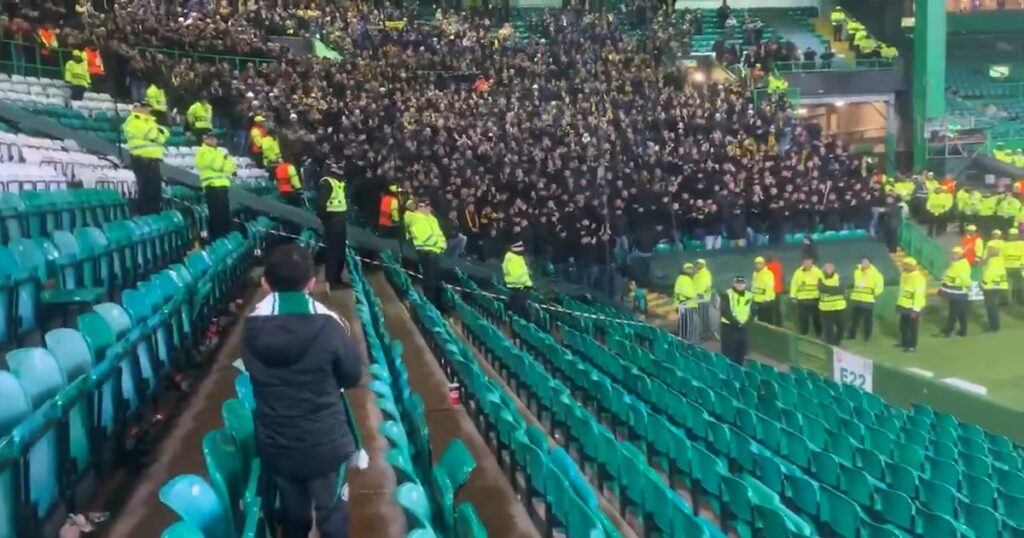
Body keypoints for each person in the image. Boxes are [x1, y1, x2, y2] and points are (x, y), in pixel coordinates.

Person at [241, 243, 361, 538]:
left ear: (266, 283)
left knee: (293, 515)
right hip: (324, 442)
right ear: (311, 283)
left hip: (277, 442)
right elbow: (352, 376)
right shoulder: (329, 326)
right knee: (331, 514)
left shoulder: (250, 329)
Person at [122, 102, 168, 216]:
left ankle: (154, 216)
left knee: (155, 192)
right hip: (141, 160)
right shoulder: (132, 120)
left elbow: (165, 135)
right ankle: (145, 217)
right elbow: (151, 134)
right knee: (145, 191)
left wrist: (157, 134)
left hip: (154, 160)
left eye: (148, 107)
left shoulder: (150, 121)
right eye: (144, 107)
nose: (147, 109)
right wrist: (157, 134)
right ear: (136, 108)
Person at [195, 132, 236, 241]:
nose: (213, 140)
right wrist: (224, 160)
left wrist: (223, 162)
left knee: (225, 213)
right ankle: (216, 238)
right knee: (216, 215)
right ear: (205, 139)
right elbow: (215, 165)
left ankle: (225, 237)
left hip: (223, 186)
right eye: (210, 138)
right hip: (212, 186)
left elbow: (231, 167)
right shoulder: (202, 151)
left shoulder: (220, 152)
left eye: (215, 138)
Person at [409, 200, 447, 311]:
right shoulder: (417, 219)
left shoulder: (433, 219)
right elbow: (426, 236)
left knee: (437, 280)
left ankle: (438, 305)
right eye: (422, 206)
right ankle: (430, 306)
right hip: (427, 252)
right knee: (430, 281)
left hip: (437, 252)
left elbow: (439, 234)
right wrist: (439, 244)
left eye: (427, 206)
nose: (426, 208)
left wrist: (442, 245)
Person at [317, 161, 349, 289]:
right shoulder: (327, 182)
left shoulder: (339, 183)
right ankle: (332, 280)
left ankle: (338, 278)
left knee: (340, 251)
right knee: (333, 251)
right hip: (333, 220)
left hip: (340, 220)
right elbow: (320, 205)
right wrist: (328, 220)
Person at [937, 246, 972, 337]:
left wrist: (967, 287)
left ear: (961, 254)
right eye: (953, 253)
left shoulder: (962, 264)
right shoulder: (954, 263)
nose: (953, 255)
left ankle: (949, 330)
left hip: (959, 293)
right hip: (954, 293)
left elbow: (965, 279)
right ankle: (962, 331)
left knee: (954, 313)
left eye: (956, 253)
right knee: (960, 312)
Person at [847, 257, 884, 341]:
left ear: (869, 263)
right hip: (856, 298)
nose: (863, 264)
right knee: (854, 318)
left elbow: (880, 287)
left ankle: (867, 335)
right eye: (862, 262)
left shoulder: (876, 274)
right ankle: (851, 334)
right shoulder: (856, 272)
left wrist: (873, 293)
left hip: (868, 300)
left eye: (865, 262)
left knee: (867, 319)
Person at [720, 275, 752, 364]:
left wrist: (747, 323)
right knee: (729, 354)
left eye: (742, 283)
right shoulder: (727, 294)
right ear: (734, 283)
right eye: (738, 283)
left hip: (743, 328)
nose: (740, 285)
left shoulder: (749, 295)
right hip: (729, 327)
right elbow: (725, 311)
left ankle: (739, 373)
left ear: (745, 284)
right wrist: (737, 323)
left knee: (741, 354)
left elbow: (752, 311)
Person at [896, 257, 926, 352]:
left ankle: (912, 345)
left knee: (912, 327)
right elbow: (902, 291)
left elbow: (918, 294)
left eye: (907, 264)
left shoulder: (919, 278)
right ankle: (904, 342)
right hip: (903, 304)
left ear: (913, 266)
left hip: (913, 307)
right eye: (904, 264)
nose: (905, 266)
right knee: (903, 326)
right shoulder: (903, 275)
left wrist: (915, 309)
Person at [789, 256, 824, 336]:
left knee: (817, 318)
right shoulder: (798, 272)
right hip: (802, 299)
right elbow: (794, 284)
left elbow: (822, 284)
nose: (807, 263)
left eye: (808, 261)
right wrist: (793, 296)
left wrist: (822, 296)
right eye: (805, 261)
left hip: (815, 299)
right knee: (803, 318)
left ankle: (819, 333)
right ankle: (804, 333)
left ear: (812, 261)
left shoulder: (817, 272)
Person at [818, 262, 847, 345]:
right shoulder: (820, 279)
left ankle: (838, 341)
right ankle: (830, 344)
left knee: (841, 327)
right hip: (825, 308)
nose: (829, 270)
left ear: (834, 269)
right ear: (823, 269)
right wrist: (834, 290)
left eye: (830, 268)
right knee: (828, 328)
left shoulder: (839, 278)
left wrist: (829, 289)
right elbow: (822, 289)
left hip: (839, 307)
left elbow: (841, 290)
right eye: (827, 268)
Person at [503, 241, 533, 319]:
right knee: (519, 310)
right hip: (520, 287)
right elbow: (518, 275)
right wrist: (527, 281)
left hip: (515, 287)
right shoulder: (513, 259)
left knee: (519, 308)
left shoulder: (511, 257)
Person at [981, 244, 1007, 332]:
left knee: (991, 307)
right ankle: (994, 326)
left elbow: (991, 273)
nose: (987, 252)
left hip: (990, 287)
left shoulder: (993, 261)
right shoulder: (1000, 260)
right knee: (993, 307)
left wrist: (983, 283)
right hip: (998, 285)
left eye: (989, 251)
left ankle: (994, 327)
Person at [751, 256, 778, 325]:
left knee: (767, 320)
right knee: (759, 320)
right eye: (756, 264)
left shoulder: (768, 273)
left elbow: (770, 286)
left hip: (766, 301)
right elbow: (753, 285)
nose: (758, 265)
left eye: (760, 264)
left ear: (763, 264)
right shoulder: (755, 273)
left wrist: (767, 299)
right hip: (757, 300)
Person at [674, 262, 698, 339]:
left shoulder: (687, 278)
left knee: (686, 323)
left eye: (691, 268)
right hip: (684, 304)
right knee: (685, 323)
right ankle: (684, 339)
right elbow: (682, 291)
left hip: (687, 305)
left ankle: (686, 337)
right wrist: (693, 295)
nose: (691, 270)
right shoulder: (682, 278)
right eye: (689, 268)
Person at [1005, 227, 1024, 305]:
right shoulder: (1005, 244)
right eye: (1011, 235)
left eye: (1013, 235)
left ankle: (1018, 300)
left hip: (1018, 267)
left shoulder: (1022, 244)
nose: (1012, 237)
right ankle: (1010, 301)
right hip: (1009, 267)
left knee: (1019, 285)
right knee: (1010, 285)